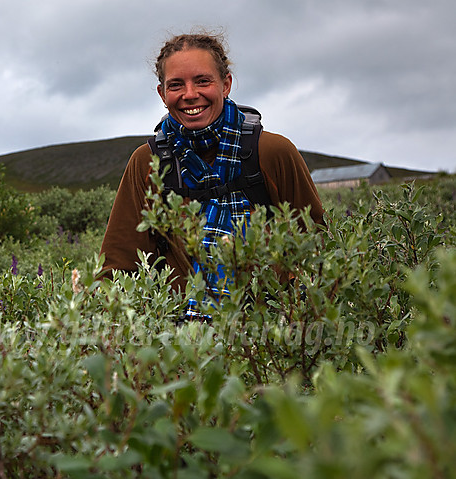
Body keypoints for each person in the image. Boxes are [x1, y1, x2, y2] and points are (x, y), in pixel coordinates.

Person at [100, 31, 324, 303]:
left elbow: (318, 252)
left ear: (225, 84)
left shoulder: (273, 153)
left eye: (203, 81)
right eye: (176, 85)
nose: (190, 95)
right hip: (180, 337)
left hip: (268, 331)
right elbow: (117, 268)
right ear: (162, 93)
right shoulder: (147, 162)